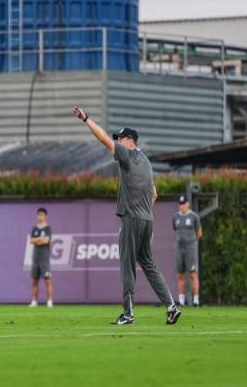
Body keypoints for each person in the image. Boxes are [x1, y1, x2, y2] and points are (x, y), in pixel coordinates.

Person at [72, 106, 181, 325]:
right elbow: (154, 194)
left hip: (131, 218)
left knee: (127, 265)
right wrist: (143, 211)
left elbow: (103, 139)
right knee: (149, 264)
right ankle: (171, 306)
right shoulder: (147, 162)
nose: (118, 142)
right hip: (147, 219)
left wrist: (86, 119)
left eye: (120, 139)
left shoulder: (127, 154)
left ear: (130, 141)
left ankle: (128, 313)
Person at [173, 195, 203, 307]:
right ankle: (181, 301)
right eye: (180, 204)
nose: (182, 206)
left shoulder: (194, 217)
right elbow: (175, 230)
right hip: (179, 249)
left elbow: (199, 233)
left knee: (193, 274)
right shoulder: (175, 217)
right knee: (180, 275)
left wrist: (191, 242)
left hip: (190, 249)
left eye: (183, 203)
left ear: (188, 204)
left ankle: (196, 300)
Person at [28, 207, 53, 308]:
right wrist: (40, 239)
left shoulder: (48, 228)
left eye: (42, 215)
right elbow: (31, 240)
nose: (40, 216)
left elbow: (46, 241)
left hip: (44, 259)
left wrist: (37, 240)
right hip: (35, 258)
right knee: (34, 281)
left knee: (47, 280)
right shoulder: (34, 228)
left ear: (46, 216)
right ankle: (34, 301)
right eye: (38, 214)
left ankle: (49, 301)